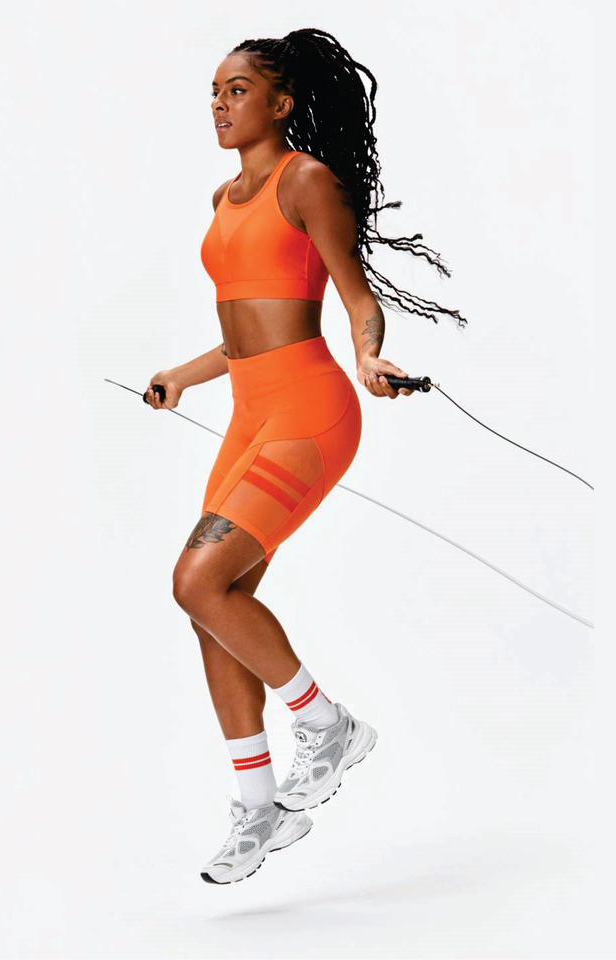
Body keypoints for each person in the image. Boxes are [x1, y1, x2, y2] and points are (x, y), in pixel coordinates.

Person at [145, 28, 465, 885]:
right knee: (215, 603)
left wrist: (370, 356)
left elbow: (354, 297)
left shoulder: (306, 180)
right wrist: (182, 376)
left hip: (310, 411)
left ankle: (325, 724)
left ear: (281, 103)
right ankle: (259, 807)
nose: (220, 104)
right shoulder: (223, 197)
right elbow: (244, 331)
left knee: (196, 580)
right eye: (214, 92)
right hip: (250, 412)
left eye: (238, 90)